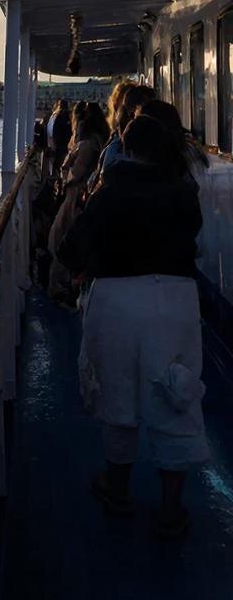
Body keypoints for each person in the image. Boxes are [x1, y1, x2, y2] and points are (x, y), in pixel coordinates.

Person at [57, 115, 207, 536]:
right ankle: (172, 506)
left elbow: (72, 248)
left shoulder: (111, 192)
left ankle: (117, 489)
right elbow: (192, 237)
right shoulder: (183, 191)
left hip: (119, 299)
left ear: (128, 146)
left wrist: (78, 266)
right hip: (176, 299)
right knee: (176, 392)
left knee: (118, 392)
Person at [47, 102, 106, 302]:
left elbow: (75, 173)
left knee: (59, 238)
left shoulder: (86, 145)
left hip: (76, 198)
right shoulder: (100, 141)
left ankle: (62, 287)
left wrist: (63, 172)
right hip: (85, 196)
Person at [46, 98, 71, 178]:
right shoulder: (66, 117)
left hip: (54, 145)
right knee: (61, 167)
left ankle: (54, 182)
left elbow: (50, 132)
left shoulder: (53, 117)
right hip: (62, 147)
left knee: (54, 168)